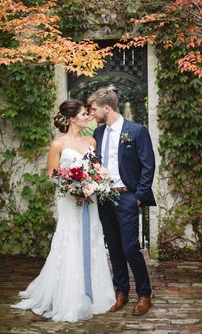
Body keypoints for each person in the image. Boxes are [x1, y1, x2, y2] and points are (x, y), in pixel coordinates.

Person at [11, 100, 115, 322]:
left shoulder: (91, 141)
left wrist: (96, 182)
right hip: (70, 201)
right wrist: (72, 188)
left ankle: (95, 294)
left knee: (92, 237)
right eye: (84, 113)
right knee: (71, 239)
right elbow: (52, 174)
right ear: (72, 118)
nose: (88, 116)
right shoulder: (58, 143)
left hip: (90, 198)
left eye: (88, 113)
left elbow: (96, 168)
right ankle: (68, 295)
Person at [88, 88, 156, 316]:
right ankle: (122, 292)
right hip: (104, 197)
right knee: (114, 249)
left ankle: (144, 294)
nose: (91, 113)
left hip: (127, 196)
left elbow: (148, 166)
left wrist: (138, 197)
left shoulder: (136, 131)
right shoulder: (98, 133)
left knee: (130, 248)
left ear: (106, 108)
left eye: (94, 109)